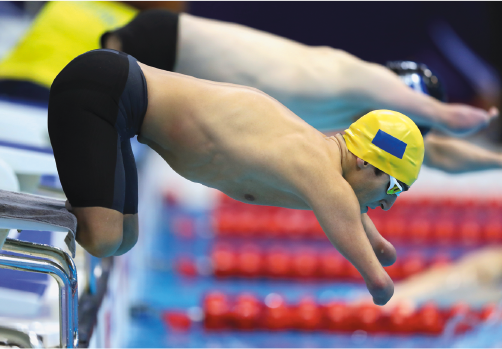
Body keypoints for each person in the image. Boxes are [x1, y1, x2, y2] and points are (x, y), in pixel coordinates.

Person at [48, 48, 424, 306]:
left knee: (124, 240)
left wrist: (384, 249)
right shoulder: (317, 168)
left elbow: (378, 244)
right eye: (392, 187)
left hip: (121, 107)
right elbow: (379, 284)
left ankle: (72, 197)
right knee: (103, 237)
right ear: (363, 162)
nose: (389, 204)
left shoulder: (323, 161)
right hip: (103, 91)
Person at [101, 9, 502, 174]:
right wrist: (484, 117)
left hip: (176, 63)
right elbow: (449, 119)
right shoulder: (366, 80)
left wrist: (496, 162)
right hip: (170, 43)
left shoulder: (363, 119)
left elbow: (442, 156)